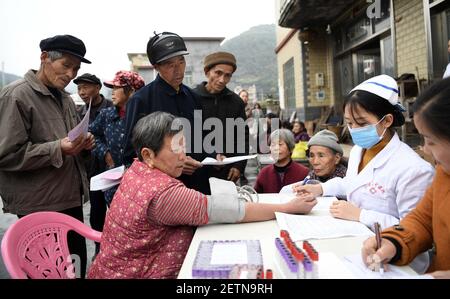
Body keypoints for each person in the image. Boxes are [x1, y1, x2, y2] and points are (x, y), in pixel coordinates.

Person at [87, 112, 317, 279]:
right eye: (176, 148)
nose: (183, 156)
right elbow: (233, 210)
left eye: (184, 146)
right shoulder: (163, 194)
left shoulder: (135, 170)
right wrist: (288, 207)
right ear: (148, 154)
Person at [294, 75, 435, 273]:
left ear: (386, 120)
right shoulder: (360, 150)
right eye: (349, 123)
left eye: (361, 123)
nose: (354, 130)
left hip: (398, 263)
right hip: (357, 244)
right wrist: (320, 188)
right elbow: (353, 182)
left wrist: (361, 215)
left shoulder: (414, 169)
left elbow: (415, 229)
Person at [0, 34, 95, 278]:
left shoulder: (65, 98)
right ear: (44, 58)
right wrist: (58, 148)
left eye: (75, 69)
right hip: (39, 206)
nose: (71, 74)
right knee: (49, 272)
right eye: (66, 65)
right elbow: (6, 155)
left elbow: (69, 142)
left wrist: (83, 146)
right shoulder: (16, 96)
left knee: (75, 268)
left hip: (70, 200)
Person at [362, 78, 450, 279]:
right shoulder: (444, 175)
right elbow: (422, 220)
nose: (425, 149)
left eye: (431, 141)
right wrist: (392, 243)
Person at [123, 31, 207, 193]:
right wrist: (174, 162)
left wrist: (213, 155)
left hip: (197, 186)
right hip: (162, 191)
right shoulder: (141, 100)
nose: (178, 70)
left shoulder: (194, 98)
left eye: (181, 61)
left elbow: (202, 137)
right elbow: (131, 154)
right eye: (169, 64)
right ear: (156, 67)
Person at [192, 52, 249, 192]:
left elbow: (242, 137)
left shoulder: (236, 103)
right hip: (195, 170)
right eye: (218, 73)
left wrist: (238, 166)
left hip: (226, 173)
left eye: (227, 75)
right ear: (207, 72)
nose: (222, 80)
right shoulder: (191, 98)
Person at [89, 70, 145, 205]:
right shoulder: (106, 115)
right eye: (112, 88)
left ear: (131, 91)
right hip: (114, 181)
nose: (112, 92)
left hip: (140, 181)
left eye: (117, 88)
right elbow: (91, 135)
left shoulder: (144, 116)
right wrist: (105, 153)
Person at [74, 72, 113, 255]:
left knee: (117, 208)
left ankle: (118, 244)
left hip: (113, 167)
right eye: (79, 88)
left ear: (97, 88)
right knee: (96, 211)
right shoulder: (78, 113)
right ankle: (99, 246)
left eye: (86, 87)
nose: (82, 92)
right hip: (92, 169)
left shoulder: (113, 107)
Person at [254, 129, 309, 193]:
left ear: (290, 148)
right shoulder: (264, 173)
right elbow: (256, 197)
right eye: (273, 145)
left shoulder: (303, 172)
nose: (276, 148)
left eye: (280, 144)